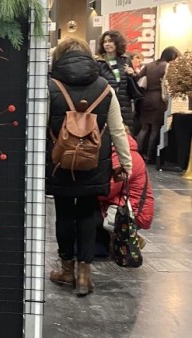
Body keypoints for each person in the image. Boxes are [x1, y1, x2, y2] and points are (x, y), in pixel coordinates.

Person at [47, 38, 132, 297]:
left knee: (63, 213)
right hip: (95, 162)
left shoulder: (51, 86)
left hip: (60, 162)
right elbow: (117, 129)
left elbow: (40, 126)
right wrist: (126, 163)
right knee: (87, 212)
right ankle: (84, 275)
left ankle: (66, 269)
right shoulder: (105, 87)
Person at [100, 133, 154, 237]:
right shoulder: (128, 153)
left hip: (132, 213)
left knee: (86, 213)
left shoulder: (122, 157)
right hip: (135, 208)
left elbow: (108, 191)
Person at [135, 46, 181, 163]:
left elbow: (137, 77)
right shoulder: (167, 66)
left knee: (144, 128)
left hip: (146, 98)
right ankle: (149, 156)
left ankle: (136, 154)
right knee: (155, 129)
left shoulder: (149, 65)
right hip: (158, 99)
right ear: (172, 56)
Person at [95, 30, 135, 129]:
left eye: (110, 41)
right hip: (105, 103)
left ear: (117, 42)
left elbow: (130, 84)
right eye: (105, 42)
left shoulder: (126, 60)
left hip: (124, 104)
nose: (107, 44)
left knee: (125, 133)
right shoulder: (98, 62)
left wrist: (132, 74)